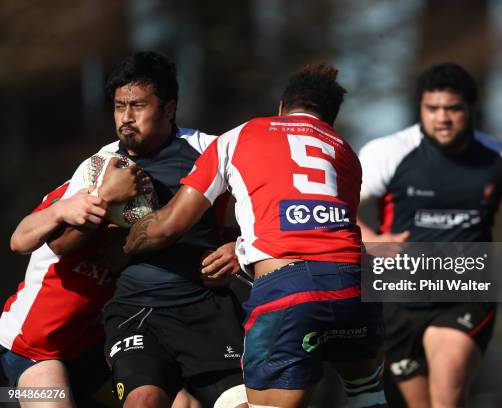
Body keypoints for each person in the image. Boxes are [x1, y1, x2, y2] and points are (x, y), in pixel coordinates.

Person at [122, 63, 388, 408]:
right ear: (329, 119)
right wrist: (243, 246)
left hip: (290, 293)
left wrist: (125, 243)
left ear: (281, 108)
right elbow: (323, 230)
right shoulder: (345, 152)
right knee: (366, 391)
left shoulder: (241, 135)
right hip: (357, 288)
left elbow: (168, 226)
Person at [357, 63, 502, 408]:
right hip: (400, 299)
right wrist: (371, 238)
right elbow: (336, 206)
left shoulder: (501, 158)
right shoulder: (388, 152)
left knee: (447, 395)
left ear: (472, 108)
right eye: (432, 109)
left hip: (466, 291)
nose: (442, 118)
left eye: (453, 109)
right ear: (421, 107)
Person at [52, 51, 246, 408]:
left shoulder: (212, 149)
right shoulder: (99, 165)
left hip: (206, 310)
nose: (126, 118)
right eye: (118, 106)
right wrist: (101, 209)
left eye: (137, 106)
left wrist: (240, 249)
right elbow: (60, 243)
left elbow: (262, 211)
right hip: (135, 311)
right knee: (143, 401)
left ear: (169, 108)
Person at [1, 165, 145, 408]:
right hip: (32, 351)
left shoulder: (154, 205)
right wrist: (61, 210)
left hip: (94, 352)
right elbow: (18, 241)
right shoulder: (82, 188)